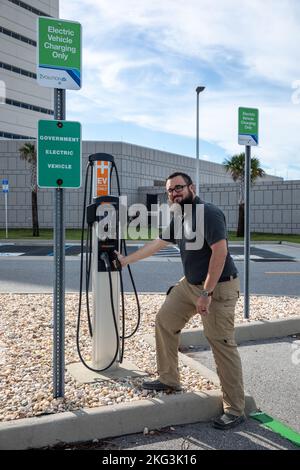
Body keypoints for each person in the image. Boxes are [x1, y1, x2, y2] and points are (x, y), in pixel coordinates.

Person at [116, 172, 245, 430]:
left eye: (178, 188)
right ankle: (169, 378)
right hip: (190, 284)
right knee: (165, 321)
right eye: (170, 190)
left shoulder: (208, 213)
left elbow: (220, 255)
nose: (174, 193)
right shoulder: (180, 216)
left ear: (191, 187)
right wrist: (126, 260)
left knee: (220, 343)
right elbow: (158, 243)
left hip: (217, 287)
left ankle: (235, 409)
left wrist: (206, 294)